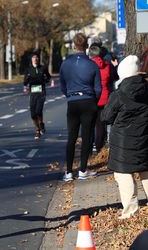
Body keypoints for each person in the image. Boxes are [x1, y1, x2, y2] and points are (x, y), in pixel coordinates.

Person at [101, 55, 148, 219]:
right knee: (146, 171)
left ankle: (130, 211)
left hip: (123, 143)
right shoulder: (147, 90)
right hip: (145, 138)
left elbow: (106, 117)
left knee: (124, 175)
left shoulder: (119, 94)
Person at [60, 33, 101, 181]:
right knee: (86, 136)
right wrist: (92, 99)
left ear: (73, 46)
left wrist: (70, 96)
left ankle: (69, 172)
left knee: (71, 137)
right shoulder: (92, 65)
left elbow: (62, 86)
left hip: (73, 101)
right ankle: (83, 169)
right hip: (88, 101)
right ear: (86, 46)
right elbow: (98, 88)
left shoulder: (65, 64)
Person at [88, 45, 111, 153]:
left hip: (91, 97)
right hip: (104, 98)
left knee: (89, 123)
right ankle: (99, 148)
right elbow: (111, 79)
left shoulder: (88, 66)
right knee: (100, 125)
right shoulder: (107, 65)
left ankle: (90, 145)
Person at [23, 52, 51, 139]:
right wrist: (27, 80)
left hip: (41, 91)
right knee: (33, 114)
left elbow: (49, 77)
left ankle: (39, 128)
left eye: (37, 57)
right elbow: (25, 82)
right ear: (31, 59)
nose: (35, 59)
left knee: (39, 110)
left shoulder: (43, 68)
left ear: (38, 59)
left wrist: (46, 80)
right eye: (34, 58)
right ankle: (38, 126)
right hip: (33, 92)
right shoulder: (28, 69)